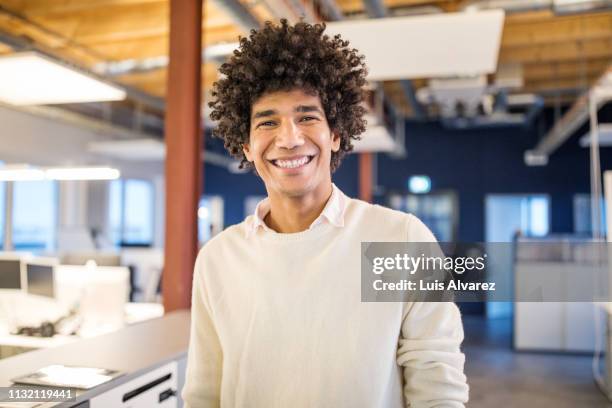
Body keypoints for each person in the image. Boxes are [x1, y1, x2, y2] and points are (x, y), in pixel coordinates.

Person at [182, 19, 469, 408]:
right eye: (268, 121)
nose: (289, 138)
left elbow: (436, 379)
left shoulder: (399, 238)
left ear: (335, 133)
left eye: (307, 117)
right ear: (246, 145)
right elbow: (204, 392)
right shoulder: (218, 259)